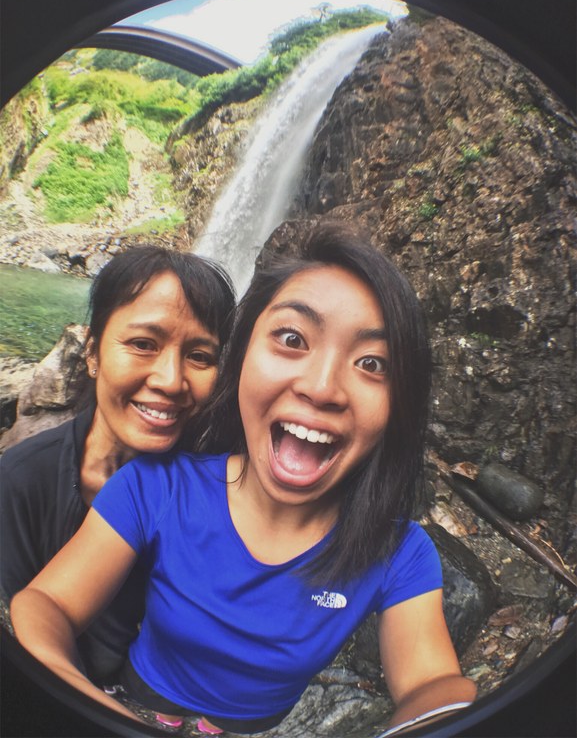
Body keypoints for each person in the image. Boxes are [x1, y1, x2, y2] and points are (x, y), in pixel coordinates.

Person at [11, 225, 476, 735]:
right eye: (292, 339)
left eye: (372, 363)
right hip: (138, 700)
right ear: (241, 356)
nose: (322, 388)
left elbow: (431, 684)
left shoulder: (400, 553)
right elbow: (47, 604)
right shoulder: (154, 486)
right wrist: (96, 709)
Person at [1, 245, 235, 688]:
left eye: (200, 356)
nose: (171, 380)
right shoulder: (21, 481)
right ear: (92, 353)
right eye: (143, 344)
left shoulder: (223, 488)